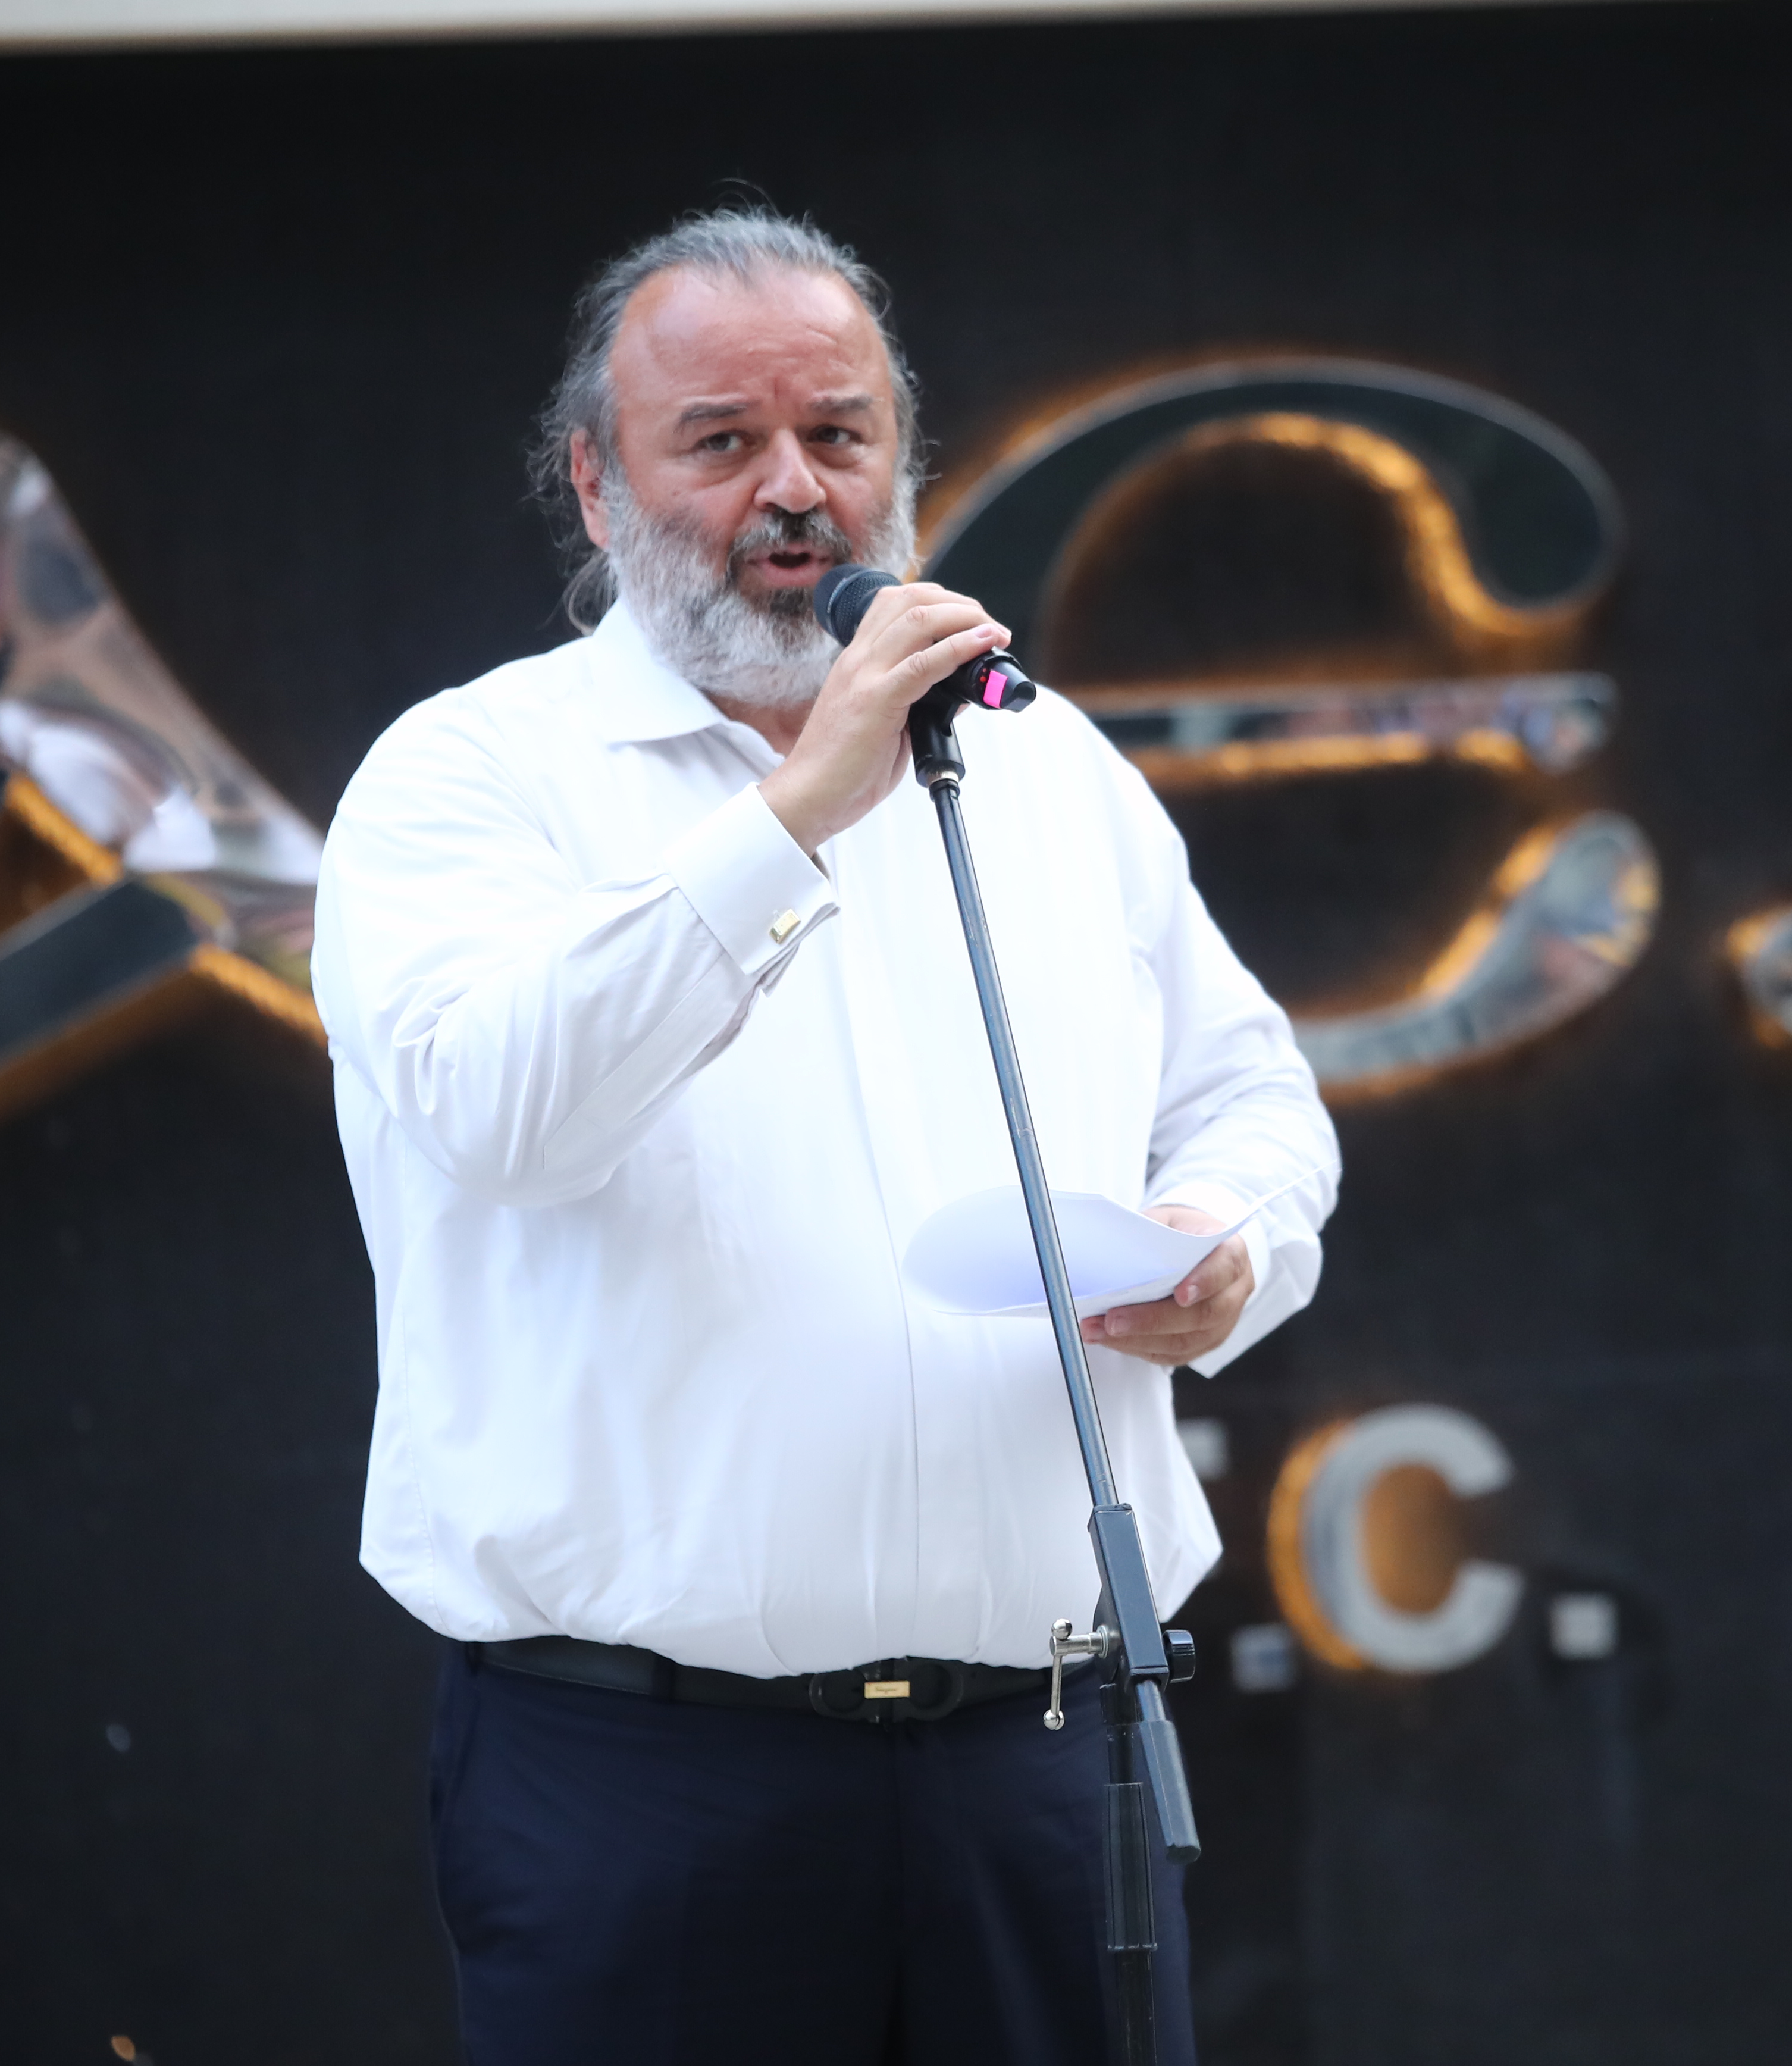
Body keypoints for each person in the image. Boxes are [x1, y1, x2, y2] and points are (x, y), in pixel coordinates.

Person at [311, 206, 1339, 2065]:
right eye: (720, 442)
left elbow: (1253, 1095)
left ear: (901, 460)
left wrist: (1224, 1244)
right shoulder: (469, 776)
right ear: (596, 484)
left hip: (1049, 1761)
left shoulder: (1045, 764)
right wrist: (795, 814)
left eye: (839, 435)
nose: (793, 490)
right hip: (652, 1781)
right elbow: (499, 1118)